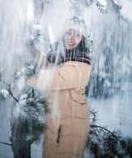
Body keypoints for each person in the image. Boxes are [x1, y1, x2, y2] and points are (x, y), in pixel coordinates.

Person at [26, 18, 92, 158]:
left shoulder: (81, 64)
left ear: (82, 39)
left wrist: (23, 77)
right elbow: (46, 65)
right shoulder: (60, 57)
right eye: (69, 33)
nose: (72, 38)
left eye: (77, 35)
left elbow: (51, 79)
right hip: (55, 123)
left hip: (71, 127)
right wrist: (30, 49)